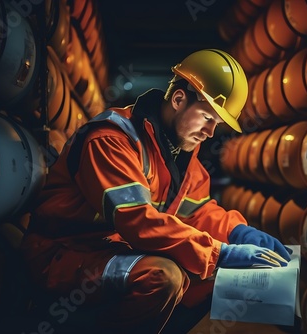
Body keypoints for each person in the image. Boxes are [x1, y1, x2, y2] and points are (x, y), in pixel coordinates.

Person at [20, 49, 292, 334]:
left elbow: (198, 212)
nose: (211, 132)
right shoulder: (111, 141)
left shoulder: (183, 158)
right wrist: (219, 253)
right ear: (178, 99)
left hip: (114, 252)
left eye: (217, 124)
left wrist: (239, 233)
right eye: (207, 118)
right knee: (165, 276)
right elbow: (137, 220)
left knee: (217, 277)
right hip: (63, 256)